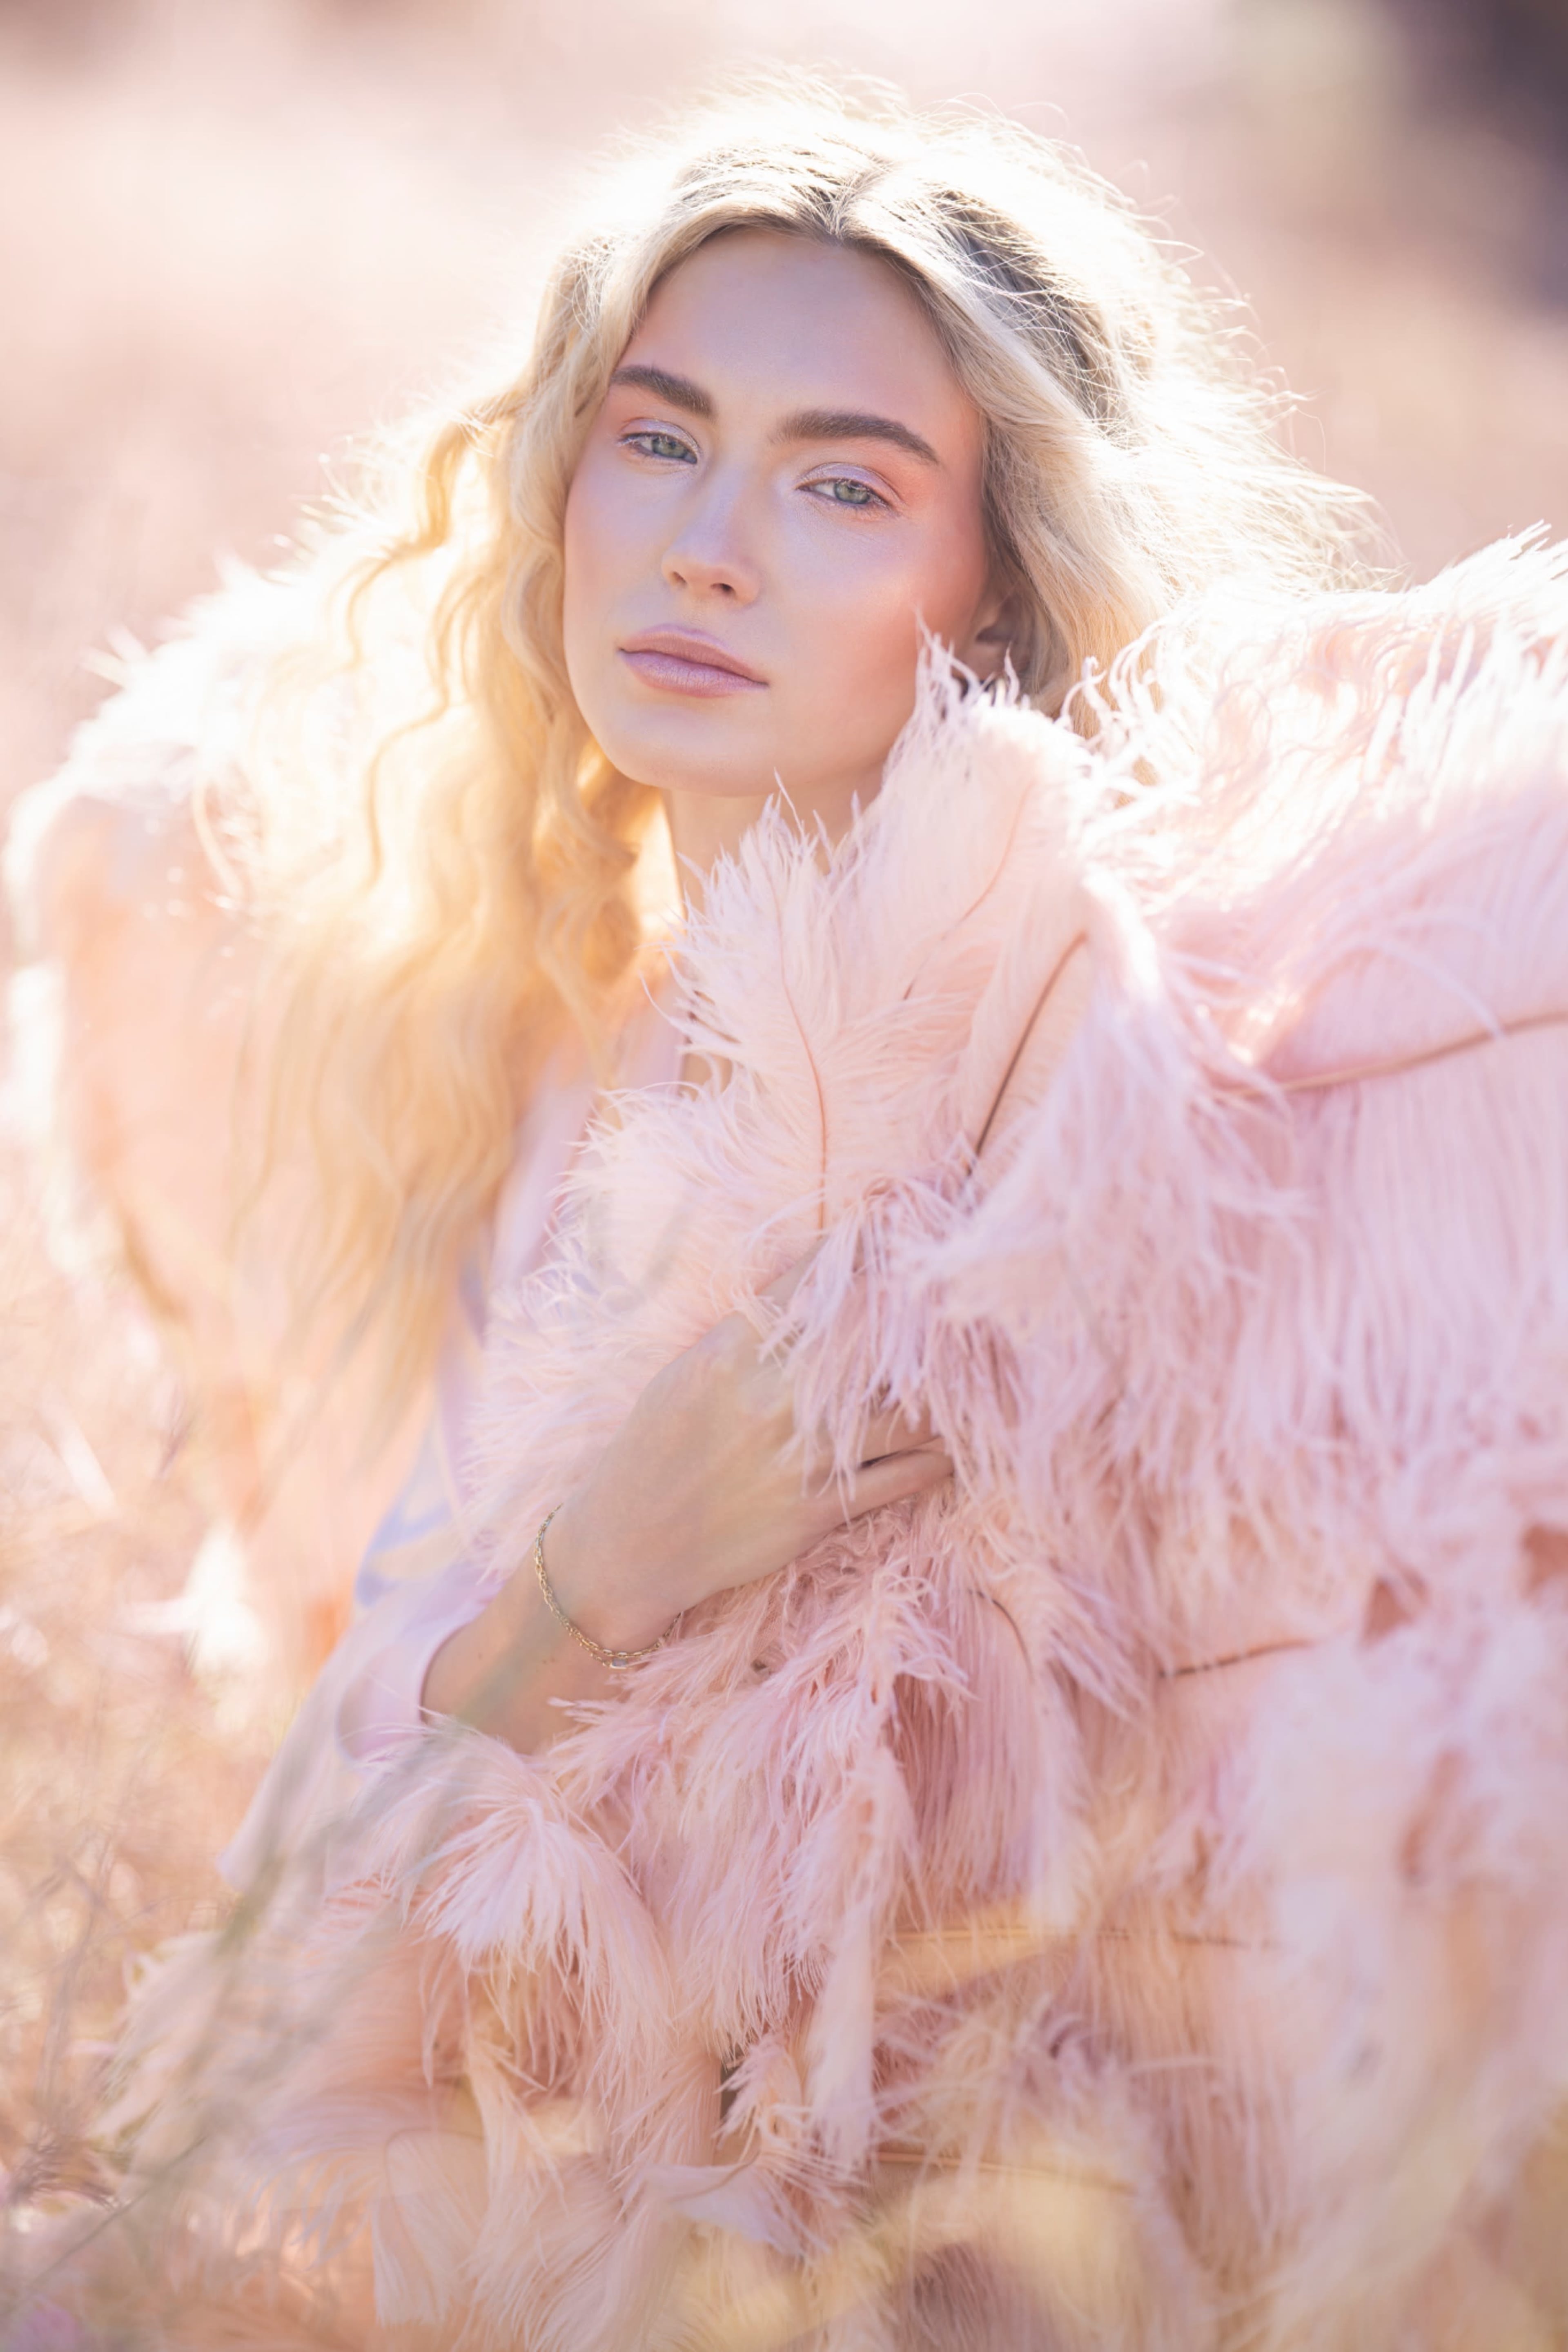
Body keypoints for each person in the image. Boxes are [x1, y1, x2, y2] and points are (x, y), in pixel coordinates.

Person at [10, 74, 1568, 2352]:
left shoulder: (1069, 1123)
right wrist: (584, 1589)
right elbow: (286, 1973)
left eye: (845, 481)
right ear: (556, 487)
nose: (709, 543)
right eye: (657, 438)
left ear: (993, 578)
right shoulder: (551, 1084)